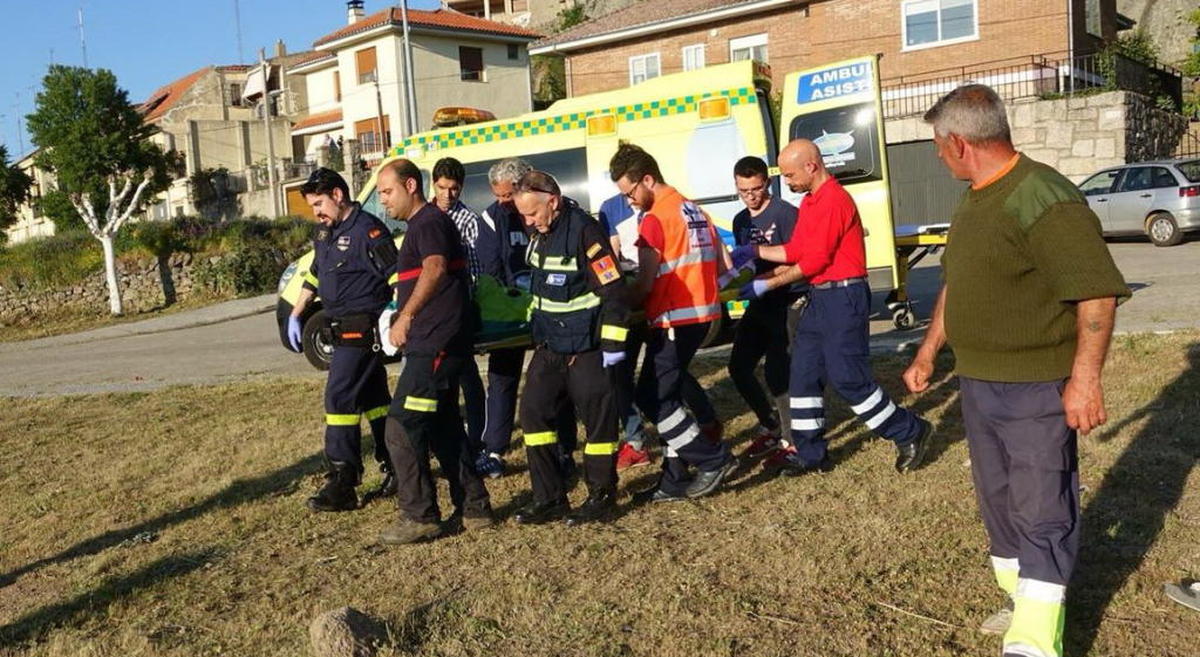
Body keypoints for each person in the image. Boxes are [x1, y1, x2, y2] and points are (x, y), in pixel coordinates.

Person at [902, 84, 1128, 657]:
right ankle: (1019, 601)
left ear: (959, 142)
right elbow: (960, 281)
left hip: (1036, 389)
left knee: (1041, 506)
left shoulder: (1045, 198)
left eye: (936, 144)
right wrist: (929, 350)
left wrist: (1084, 379)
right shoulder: (975, 196)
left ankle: (1033, 641)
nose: (935, 154)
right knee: (1000, 502)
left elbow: (1097, 293)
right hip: (979, 383)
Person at [732, 139, 933, 477]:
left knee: (848, 378)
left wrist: (766, 284)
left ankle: (910, 430)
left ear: (811, 166)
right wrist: (756, 252)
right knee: (803, 375)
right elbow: (797, 248)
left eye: (791, 174)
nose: (788, 181)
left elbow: (813, 261)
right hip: (821, 298)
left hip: (844, 296)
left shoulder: (834, 201)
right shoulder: (810, 202)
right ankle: (811, 453)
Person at [374, 158, 494, 545]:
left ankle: (420, 514)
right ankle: (475, 506)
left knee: (401, 425)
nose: (383, 202)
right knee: (442, 424)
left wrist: (406, 315)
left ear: (411, 186)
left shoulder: (428, 223)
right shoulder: (421, 226)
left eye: (387, 192)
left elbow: (437, 266)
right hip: (437, 341)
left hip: (437, 343)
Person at [611, 143, 736, 503]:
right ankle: (674, 477)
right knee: (667, 396)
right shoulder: (695, 211)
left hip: (672, 320)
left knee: (653, 397)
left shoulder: (655, 219)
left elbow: (647, 282)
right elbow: (724, 266)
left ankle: (712, 459)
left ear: (647, 179)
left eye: (631, 192)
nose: (630, 202)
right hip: (701, 314)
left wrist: (621, 300)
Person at [510, 171, 629, 526]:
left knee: (598, 424)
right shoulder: (540, 236)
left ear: (553, 201)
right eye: (523, 216)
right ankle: (549, 497)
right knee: (533, 415)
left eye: (533, 214)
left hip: (587, 348)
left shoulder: (585, 233)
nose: (529, 222)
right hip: (550, 346)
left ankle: (601, 495)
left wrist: (612, 343)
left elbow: (614, 291)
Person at [288, 168, 396, 512]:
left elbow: (395, 275)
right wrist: (297, 311)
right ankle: (398, 465)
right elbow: (316, 272)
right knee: (375, 399)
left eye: (319, 203)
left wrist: (397, 315)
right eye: (312, 206)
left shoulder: (368, 231)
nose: (317, 212)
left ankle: (342, 481)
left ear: (338, 195)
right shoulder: (324, 233)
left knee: (339, 396)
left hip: (362, 328)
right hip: (336, 326)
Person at [597, 193, 723, 471]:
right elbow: (613, 252)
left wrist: (628, 298)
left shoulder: (662, 213)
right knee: (631, 378)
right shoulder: (613, 207)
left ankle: (709, 447)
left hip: (665, 308)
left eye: (631, 190)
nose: (630, 199)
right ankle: (658, 458)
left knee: (661, 388)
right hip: (647, 302)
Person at [472, 158, 577, 478]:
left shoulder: (548, 209)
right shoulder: (491, 218)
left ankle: (564, 448)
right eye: (498, 195)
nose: (503, 202)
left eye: (508, 195)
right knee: (502, 378)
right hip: (512, 310)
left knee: (558, 380)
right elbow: (490, 268)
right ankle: (494, 449)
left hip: (551, 308)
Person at [726, 156, 802, 464]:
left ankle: (792, 440)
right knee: (738, 366)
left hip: (787, 301)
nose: (751, 196)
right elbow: (745, 261)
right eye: (744, 191)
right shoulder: (740, 221)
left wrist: (764, 280)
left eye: (756, 189)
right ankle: (770, 425)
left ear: (767, 183)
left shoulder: (785, 214)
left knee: (778, 372)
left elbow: (799, 260)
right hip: (759, 302)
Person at [430, 157, 487, 457]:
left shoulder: (467, 220)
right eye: (442, 187)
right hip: (429, 312)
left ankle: (476, 437)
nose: (447, 195)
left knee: (466, 374)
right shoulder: (424, 214)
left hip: (457, 308)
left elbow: (475, 271)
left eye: (454, 189)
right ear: (433, 184)